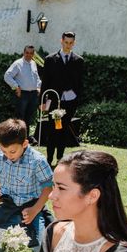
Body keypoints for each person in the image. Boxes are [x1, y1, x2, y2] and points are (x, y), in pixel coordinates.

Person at [0, 118, 53, 252]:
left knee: (40, 246)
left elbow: (48, 187)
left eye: (12, 151)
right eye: (4, 151)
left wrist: (34, 210)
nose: (8, 155)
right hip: (8, 206)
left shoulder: (37, 161)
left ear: (25, 144)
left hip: (32, 207)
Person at [41, 32, 84, 166]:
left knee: (64, 129)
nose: (68, 45)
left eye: (71, 43)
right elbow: (45, 82)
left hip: (70, 101)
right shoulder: (50, 59)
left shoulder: (79, 60)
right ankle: (49, 158)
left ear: (74, 43)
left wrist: (76, 98)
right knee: (52, 129)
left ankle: (60, 158)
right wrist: (42, 102)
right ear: (61, 41)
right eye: (66, 42)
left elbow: (80, 82)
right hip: (54, 99)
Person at [4, 45, 42, 140]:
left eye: (31, 53)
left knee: (28, 118)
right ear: (23, 52)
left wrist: (38, 87)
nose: (29, 55)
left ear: (33, 54)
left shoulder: (33, 63)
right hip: (23, 94)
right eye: (27, 53)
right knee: (20, 118)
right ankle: (18, 137)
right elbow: (7, 76)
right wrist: (16, 87)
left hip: (33, 94)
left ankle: (25, 138)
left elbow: (37, 77)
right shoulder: (18, 63)